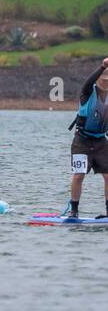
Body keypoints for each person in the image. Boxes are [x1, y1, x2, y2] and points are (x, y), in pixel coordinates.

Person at [65, 57, 108, 218]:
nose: (105, 82)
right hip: (81, 141)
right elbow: (88, 82)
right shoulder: (87, 92)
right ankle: (74, 210)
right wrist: (103, 66)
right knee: (79, 174)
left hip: (101, 141)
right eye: (103, 80)